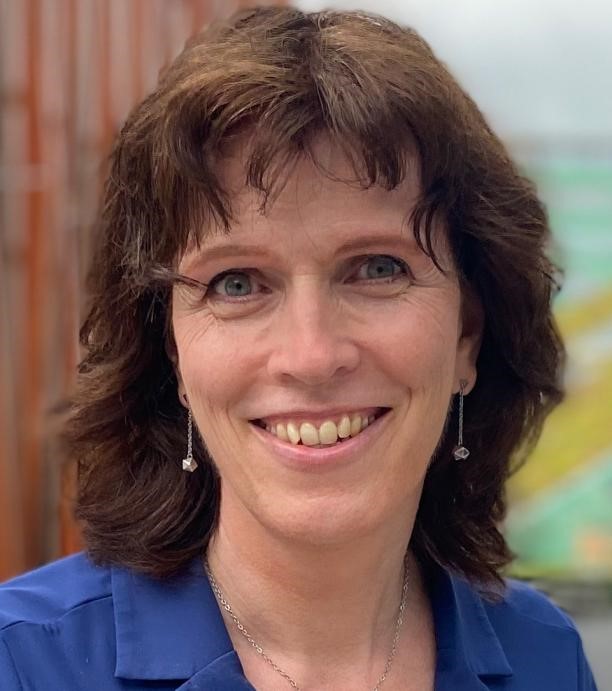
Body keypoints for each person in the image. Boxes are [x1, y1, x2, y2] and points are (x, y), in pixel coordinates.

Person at [0, 6, 598, 690]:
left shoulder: (546, 658)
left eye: (377, 269)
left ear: (468, 334)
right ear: (173, 354)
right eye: (237, 283)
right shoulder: (22, 663)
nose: (311, 356)